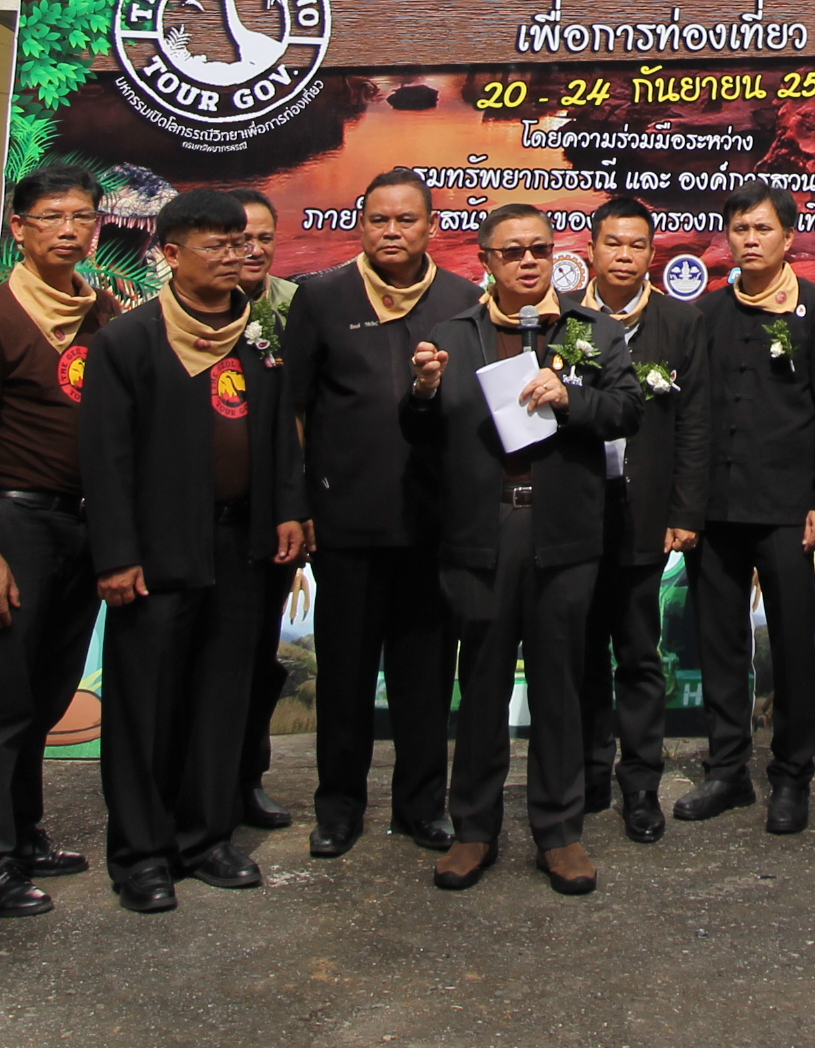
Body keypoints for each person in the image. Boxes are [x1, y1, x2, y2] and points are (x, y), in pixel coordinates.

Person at [77, 188, 306, 914]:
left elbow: (279, 435)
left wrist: (288, 511)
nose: (236, 256)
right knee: (146, 705)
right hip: (157, 550)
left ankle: (206, 838)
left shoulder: (257, 337)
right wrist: (116, 555)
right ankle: (141, 854)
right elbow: (104, 458)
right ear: (172, 254)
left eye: (242, 243)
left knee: (222, 697)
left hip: (242, 545)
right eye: (217, 245)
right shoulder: (127, 342)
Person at [411, 203, 640, 894]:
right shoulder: (453, 334)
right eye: (512, 252)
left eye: (540, 248)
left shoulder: (592, 330)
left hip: (563, 529)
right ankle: (473, 830)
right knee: (481, 684)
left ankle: (560, 832)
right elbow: (423, 436)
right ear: (486, 261)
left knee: (559, 685)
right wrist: (421, 394)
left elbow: (627, 410)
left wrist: (571, 398)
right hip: (482, 532)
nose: (529, 261)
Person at [0, 163, 137, 917]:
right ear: (18, 229)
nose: (69, 230)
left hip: (84, 524)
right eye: (52, 216)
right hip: (17, 521)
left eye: (82, 217)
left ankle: (23, 836)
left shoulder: (100, 313)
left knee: (48, 692)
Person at [289, 167, 477, 858]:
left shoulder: (464, 300)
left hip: (434, 523)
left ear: (433, 227)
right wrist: (300, 502)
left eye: (406, 220)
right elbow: (296, 410)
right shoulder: (322, 297)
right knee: (343, 673)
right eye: (378, 219)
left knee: (424, 676)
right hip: (347, 521)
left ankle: (422, 806)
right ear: (360, 224)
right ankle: (339, 808)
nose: (391, 231)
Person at [674, 181, 815, 834]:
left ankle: (791, 776)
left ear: (788, 237)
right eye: (740, 230)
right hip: (716, 510)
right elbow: (691, 415)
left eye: (762, 230)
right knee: (720, 645)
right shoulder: (708, 314)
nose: (750, 241)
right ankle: (727, 771)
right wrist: (685, 507)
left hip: (787, 511)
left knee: (792, 646)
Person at [576, 195, 708, 844]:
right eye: (613, 243)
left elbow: (694, 424)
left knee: (638, 652)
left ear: (652, 254)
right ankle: (586, 773)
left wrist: (684, 510)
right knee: (580, 651)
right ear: (591, 249)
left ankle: (640, 785)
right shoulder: (564, 318)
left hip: (645, 511)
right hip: (576, 511)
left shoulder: (680, 323)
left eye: (636, 246)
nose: (623, 256)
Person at [231, 189, 302, 836]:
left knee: (258, 650)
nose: (253, 250)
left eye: (263, 238)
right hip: (202, 513)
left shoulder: (296, 307)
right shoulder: (181, 309)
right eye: (240, 238)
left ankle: (245, 777)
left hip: (275, 511)